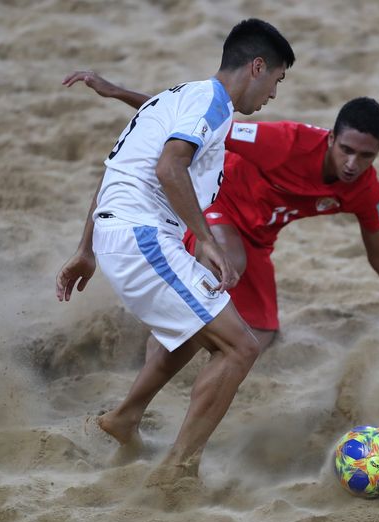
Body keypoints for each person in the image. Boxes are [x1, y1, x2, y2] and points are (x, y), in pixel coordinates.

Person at [55, 19, 295, 485]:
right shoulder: (211, 104)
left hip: (122, 233)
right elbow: (169, 168)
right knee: (241, 347)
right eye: (276, 80)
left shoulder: (178, 98)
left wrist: (86, 248)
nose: (273, 95)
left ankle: (124, 418)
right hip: (143, 237)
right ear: (257, 67)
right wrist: (204, 238)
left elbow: (118, 170)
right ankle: (179, 471)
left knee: (193, 326)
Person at [62, 72, 379, 351]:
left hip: (259, 238)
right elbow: (194, 124)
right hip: (218, 206)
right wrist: (119, 92)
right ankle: (166, 333)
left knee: (264, 335)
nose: (353, 163)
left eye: (366, 156)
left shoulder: (365, 189)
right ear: (331, 138)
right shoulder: (285, 143)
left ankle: (191, 335)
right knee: (227, 265)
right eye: (346, 150)